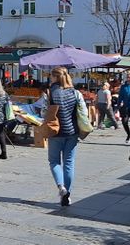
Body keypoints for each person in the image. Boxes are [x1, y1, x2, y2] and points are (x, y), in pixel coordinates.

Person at [43, 66, 86, 207]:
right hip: (72, 132)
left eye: (51, 76)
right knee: (69, 163)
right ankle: (67, 194)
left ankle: (61, 186)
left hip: (55, 132)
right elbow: (83, 112)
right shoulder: (75, 93)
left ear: (55, 77)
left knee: (54, 162)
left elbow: (45, 111)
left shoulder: (50, 93)